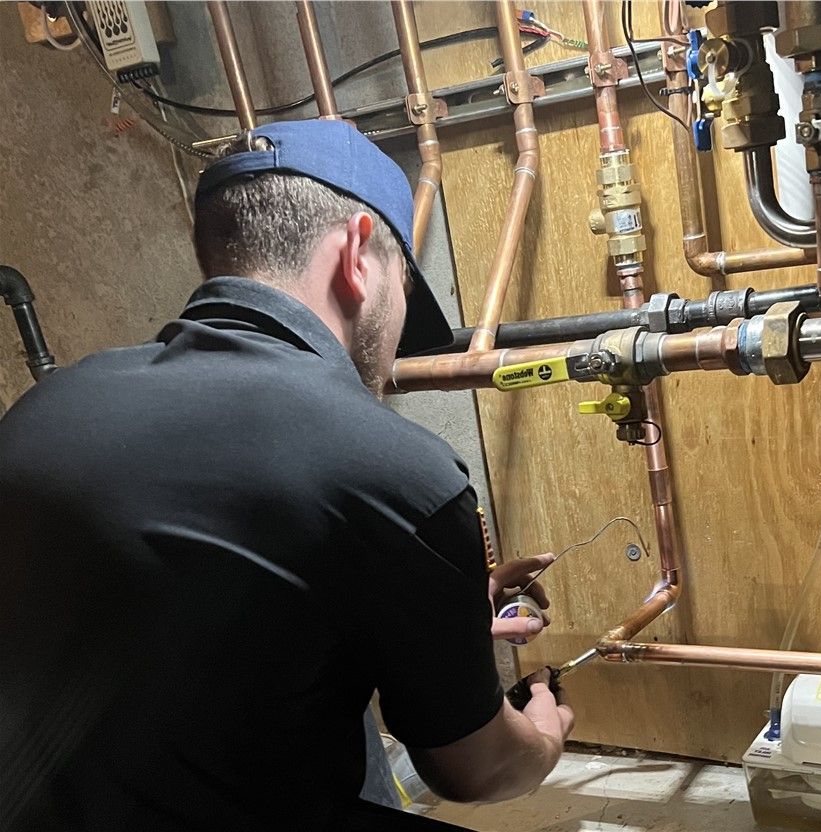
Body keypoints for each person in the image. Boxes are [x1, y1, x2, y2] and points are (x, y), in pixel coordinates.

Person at [0, 119, 573, 831]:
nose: (395, 346)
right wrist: (544, 732)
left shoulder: (43, 412)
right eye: (403, 290)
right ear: (357, 252)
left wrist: (441, 612)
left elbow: (198, 621)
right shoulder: (396, 470)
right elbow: (474, 770)